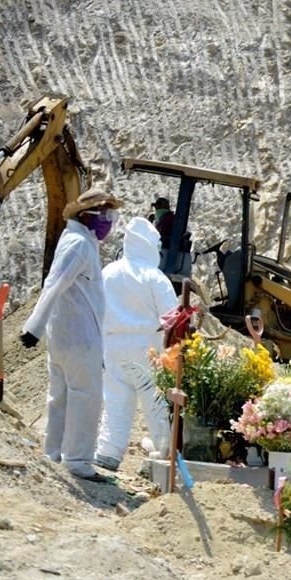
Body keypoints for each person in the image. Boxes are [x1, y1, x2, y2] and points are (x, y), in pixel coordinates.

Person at [20, 188, 122, 482]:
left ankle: (54, 455)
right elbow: (54, 284)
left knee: (61, 398)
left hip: (66, 337)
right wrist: (33, 327)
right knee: (84, 398)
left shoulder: (78, 241)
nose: (109, 220)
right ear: (85, 214)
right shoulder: (79, 244)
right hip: (79, 339)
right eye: (105, 213)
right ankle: (77, 461)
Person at [94, 217, 178, 471]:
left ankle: (108, 451)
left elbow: (96, 308)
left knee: (116, 399)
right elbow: (172, 316)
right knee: (155, 402)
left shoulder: (108, 272)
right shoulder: (155, 277)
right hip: (148, 346)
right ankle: (164, 452)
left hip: (113, 344)